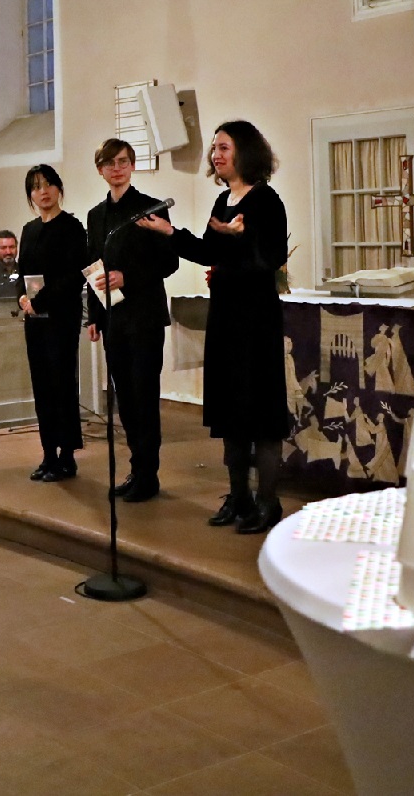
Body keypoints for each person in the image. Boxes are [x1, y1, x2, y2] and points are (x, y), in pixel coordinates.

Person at [138, 120, 292, 534]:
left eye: (224, 148)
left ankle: (268, 501)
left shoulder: (265, 201)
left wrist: (238, 240)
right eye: (214, 149)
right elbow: (209, 252)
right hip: (226, 317)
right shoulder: (224, 201)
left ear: (245, 152)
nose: (216, 155)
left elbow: (270, 259)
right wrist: (171, 232)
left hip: (256, 320)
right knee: (232, 408)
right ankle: (238, 496)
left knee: (259, 410)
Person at [86, 138, 178, 503]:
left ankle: (148, 474)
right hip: (114, 319)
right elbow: (93, 266)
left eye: (123, 161)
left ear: (132, 166)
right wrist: (94, 314)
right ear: (101, 170)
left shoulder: (150, 208)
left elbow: (168, 263)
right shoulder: (96, 216)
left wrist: (128, 277)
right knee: (123, 397)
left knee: (143, 396)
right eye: (109, 163)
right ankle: (136, 467)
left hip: (145, 317)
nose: (117, 168)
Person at [17, 164, 89, 482]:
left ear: (59, 188)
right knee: (42, 387)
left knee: (62, 385)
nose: (43, 192)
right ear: (30, 195)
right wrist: (22, 298)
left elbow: (73, 277)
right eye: (35, 187)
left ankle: (67, 457)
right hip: (35, 320)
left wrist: (39, 301)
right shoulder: (29, 230)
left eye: (48, 184)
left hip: (61, 318)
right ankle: (48, 454)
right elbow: (23, 274)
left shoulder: (72, 227)